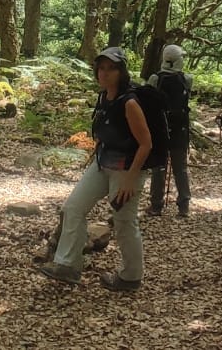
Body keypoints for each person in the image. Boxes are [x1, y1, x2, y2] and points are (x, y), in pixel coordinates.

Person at [38, 47, 152, 291]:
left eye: (111, 69)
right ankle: (67, 265)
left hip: (126, 169)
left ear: (121, 72)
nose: (105, 73)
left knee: (123, 221)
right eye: (101, 68)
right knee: (73, 207)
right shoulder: (104, 98)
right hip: (102, 164)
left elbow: (146, 144)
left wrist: (131, 179)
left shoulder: (129, 103)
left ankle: (131, 277)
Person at [146, 44, 193, 218]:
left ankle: (156, 205)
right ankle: (184, 206)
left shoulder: (155, 79)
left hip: (160, 130)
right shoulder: (186, 79)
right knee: (180, 168)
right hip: (180, 130)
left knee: (159, 167)